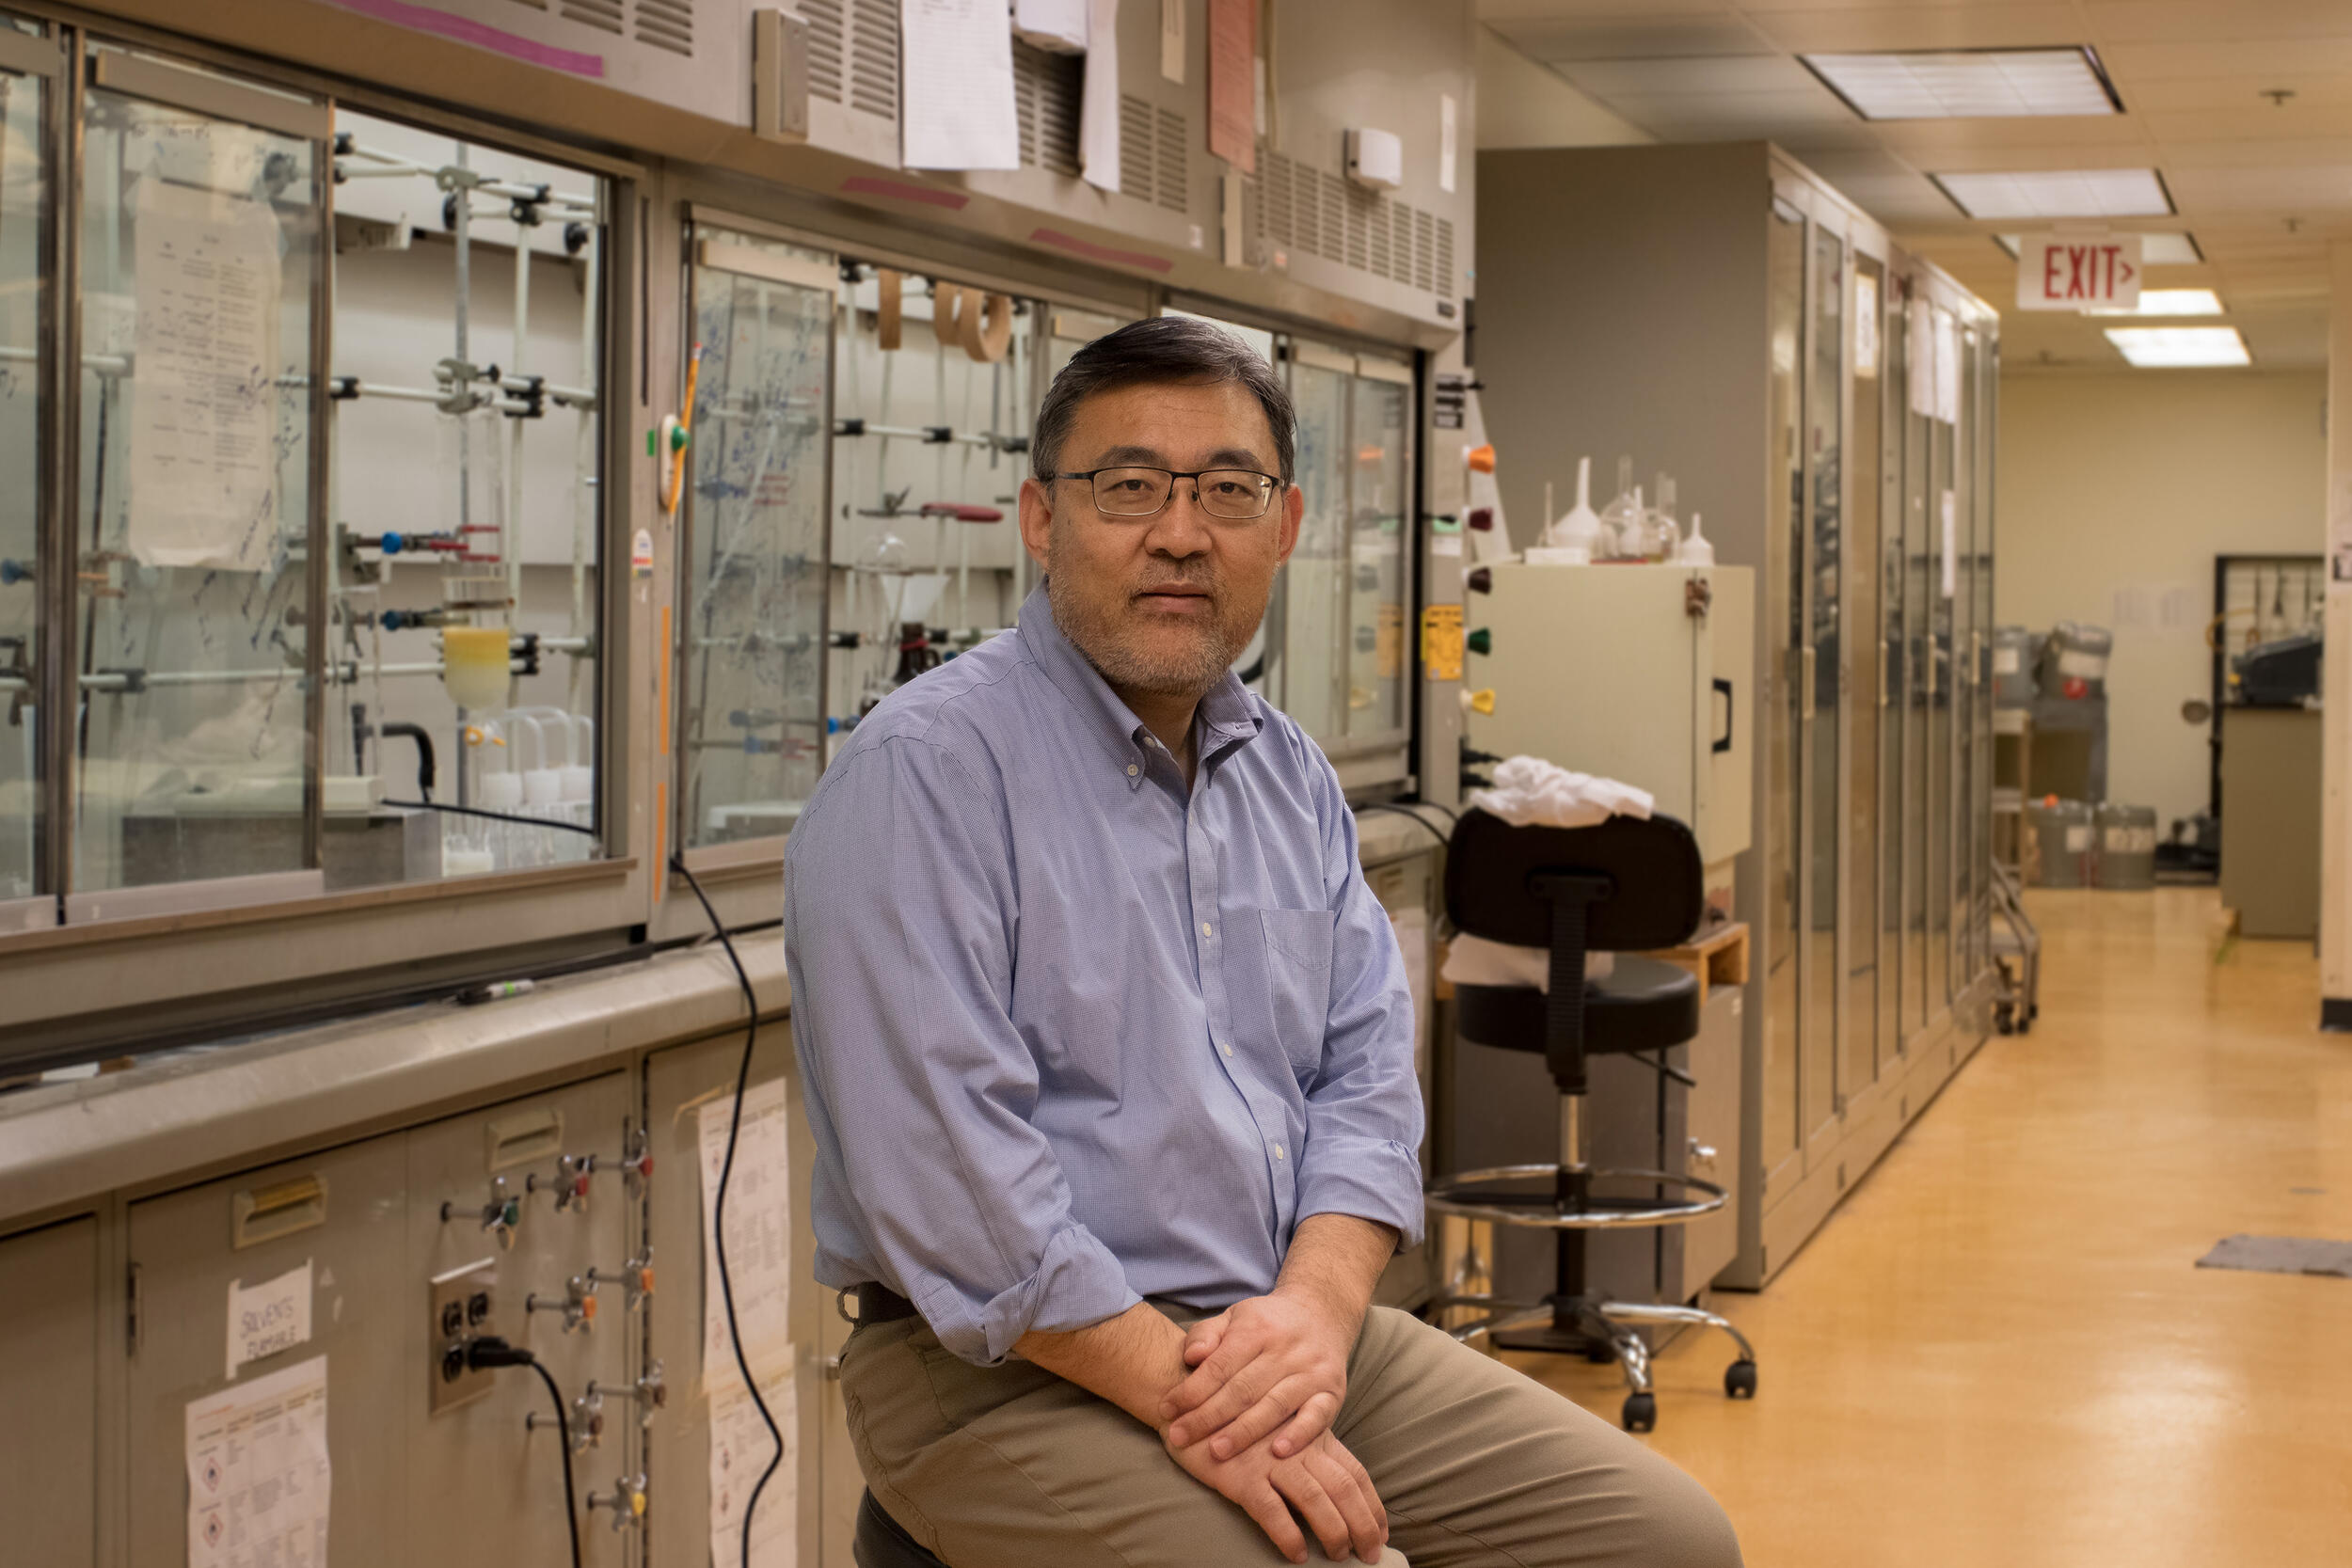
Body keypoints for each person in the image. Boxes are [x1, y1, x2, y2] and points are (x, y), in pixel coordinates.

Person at [785, 316, 1740, 1568]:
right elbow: (965, 1202)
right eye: (1128, 487)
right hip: (1005, 1365)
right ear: (1040, 517)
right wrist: (1213, 1405)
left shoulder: (1286, 775)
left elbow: (1364, 1094)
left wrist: (1314, 1308)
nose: (1182, 533)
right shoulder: (921, 781)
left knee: (1668, 1544)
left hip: (1278, 1327)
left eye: (1228, 491)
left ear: (1283, 530)